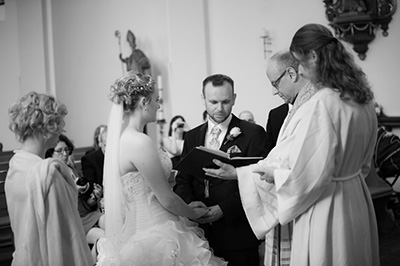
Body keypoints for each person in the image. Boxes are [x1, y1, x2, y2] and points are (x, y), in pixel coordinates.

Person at [218, 23, 380, 265]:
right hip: (357, 198)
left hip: (328, 207)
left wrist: (276, 175)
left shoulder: (322, 103)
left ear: (313, 57)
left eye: (300, 63)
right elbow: (366, 164)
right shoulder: (362, 98)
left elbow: (307, 176)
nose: (301, 72)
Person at [95, 71, 227, 265]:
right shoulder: (139, 142)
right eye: (156, 100)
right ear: (143, 102)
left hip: (135, 231)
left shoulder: (121, 141)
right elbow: (166, 198)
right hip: (156, 233)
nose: (158, 105)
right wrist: (193, 213)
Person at [174, 74, 268, 266]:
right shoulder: (191, 136)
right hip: (200, 236)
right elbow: (183, 180)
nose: (219, 108)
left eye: (225, 101)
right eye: (213, 101)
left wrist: (224, 209)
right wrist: (191, 205)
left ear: (234, 98)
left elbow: (259, 181)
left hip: (238, 232)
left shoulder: (253, 133)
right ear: (203, 99)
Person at [5, 91, 93, 266]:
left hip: (24, 256)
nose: (61, 132)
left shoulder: (16, 165)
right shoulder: (48, 174)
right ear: (46, 128)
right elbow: (62, 237)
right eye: (59, 125)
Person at [45, 134, 105, 244]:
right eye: (59, 151)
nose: (65, 154)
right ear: (50, 153)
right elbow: (57, 206)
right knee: (105, 238)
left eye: (67, 149)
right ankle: (92, 260)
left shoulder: (71, 169)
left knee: (113, 225)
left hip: (87, 215)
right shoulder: (52, 175)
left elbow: (86, 204)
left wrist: (94, 196)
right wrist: (74, 191)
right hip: (72, 220)